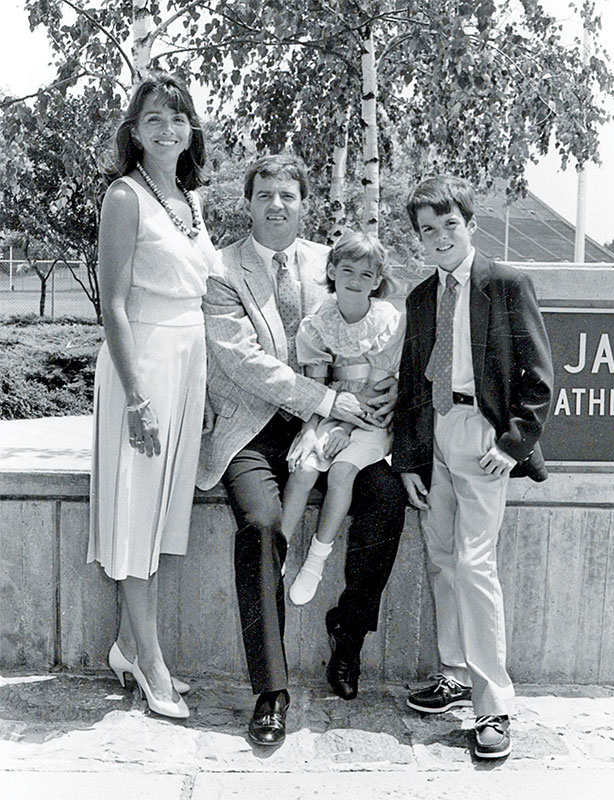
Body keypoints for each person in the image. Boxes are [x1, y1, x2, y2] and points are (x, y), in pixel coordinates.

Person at [197, 154, 407, 747]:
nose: (276, 204)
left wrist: (380, 391)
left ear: (303, 201)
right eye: (265, 193)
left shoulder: (332, 262)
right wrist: (329, 401)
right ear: (249, 201)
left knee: (385, 498)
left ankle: (348, 638)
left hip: (336, 426)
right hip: (255, 429)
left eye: (288, 194)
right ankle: (271, 689)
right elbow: (244, 362)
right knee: (262, 527)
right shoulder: (222, 270)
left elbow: (380, 331)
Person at [392, 174, 553, 759]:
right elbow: (413, 383)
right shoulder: (419, 297)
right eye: (427, 231)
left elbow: (538, 378)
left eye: (449, 226)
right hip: (434, 433)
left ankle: (494, 706)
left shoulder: (504, 283)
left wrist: (512, 444)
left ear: (470, 225)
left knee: (474, 562)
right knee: (441, 557)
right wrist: (409, 457)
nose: (439, 239)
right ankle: (455, 671)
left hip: (482, 435)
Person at [88, 74, 216, 720]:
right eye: (153, 119)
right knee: (137, 512)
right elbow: (113, 304)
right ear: (134, 133)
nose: (167, 128)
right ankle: (151, 663)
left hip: (187, 364)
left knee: (161, 517)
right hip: (143, 366)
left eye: (177, 117)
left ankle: (126, 643)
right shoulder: (124, 197)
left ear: (191, 128)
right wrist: (136, 395)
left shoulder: (191, 202)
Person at [283, 231, 405, 606]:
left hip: (370, 415)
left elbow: (379, 386)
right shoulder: (319, 322)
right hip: (334, 406)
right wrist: (310, 430)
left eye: (366, 275)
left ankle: (316, 560)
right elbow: (316, 385)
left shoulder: (387, 320)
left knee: (340, 471)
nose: (355, 280)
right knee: (304, 467)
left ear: (378, 281)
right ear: (332, 271)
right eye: (347, 270)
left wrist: (347, 426)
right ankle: (278, 551)